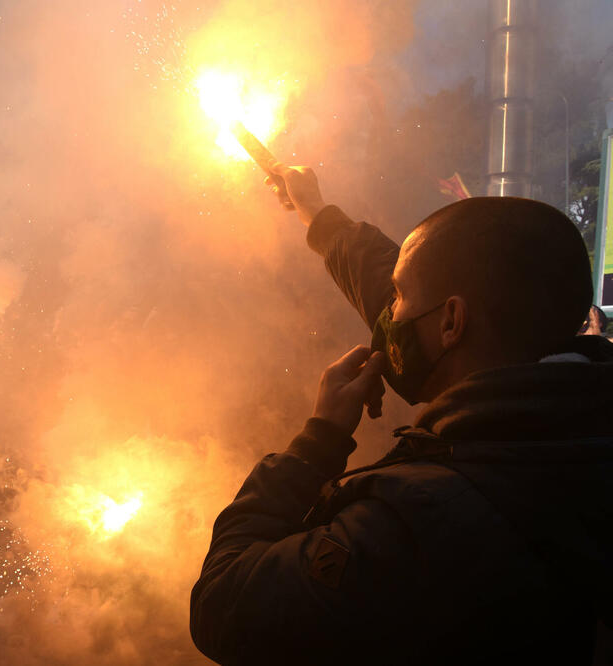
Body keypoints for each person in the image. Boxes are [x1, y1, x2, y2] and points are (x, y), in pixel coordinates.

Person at [190, 167, 613, 664]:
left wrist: (318, 441)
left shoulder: (419, 527)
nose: (389, 316)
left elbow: (225, 605)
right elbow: (424, 287)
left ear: (451, 322)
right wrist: (320, 217)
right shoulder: (579, 421)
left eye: (400, 297)